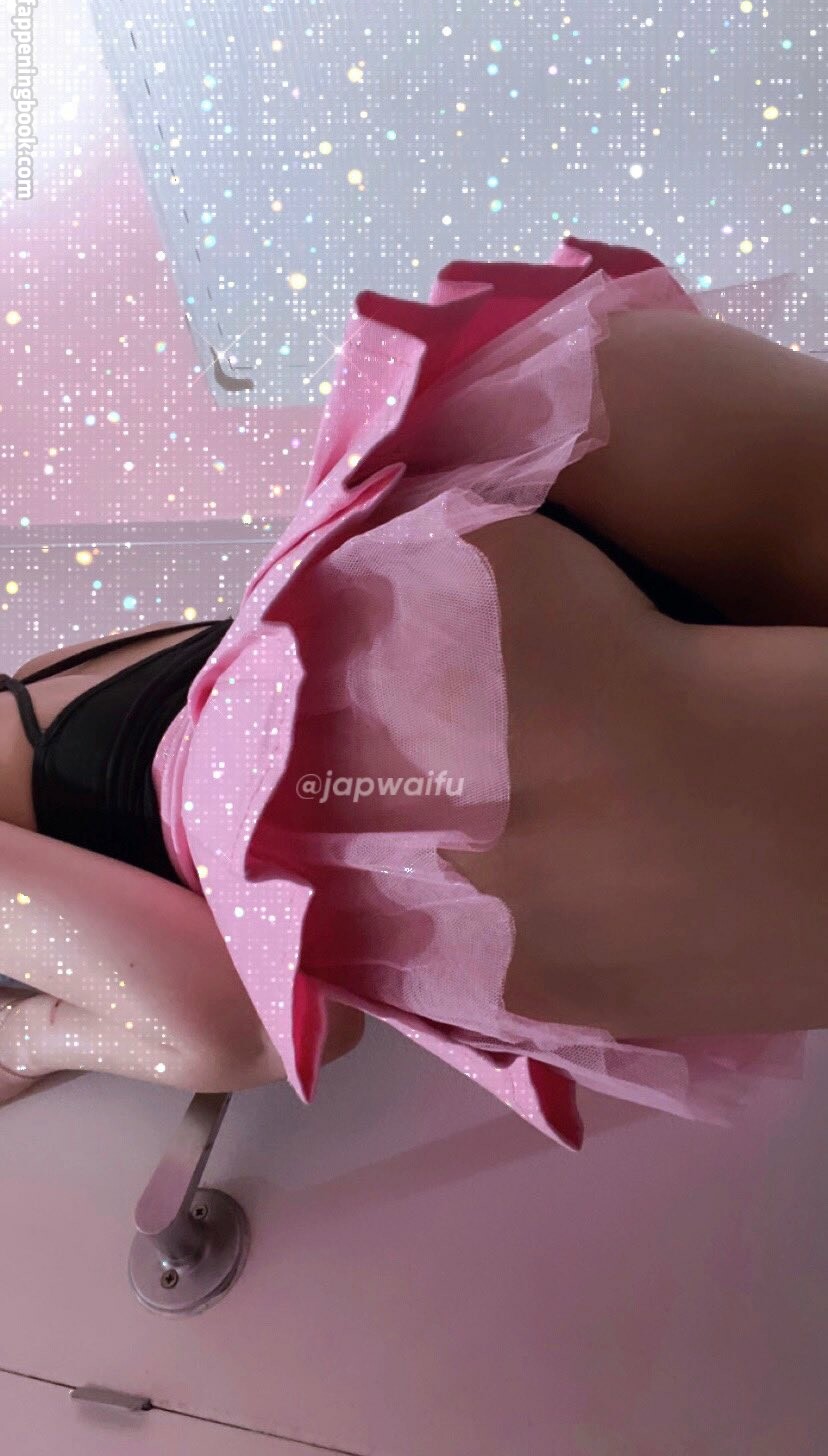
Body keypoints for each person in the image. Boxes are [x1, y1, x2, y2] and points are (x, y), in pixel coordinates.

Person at [1, 236, 825, 1149]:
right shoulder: (35, 674)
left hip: (421, 771)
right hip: (476, 466)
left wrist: (22, 1040)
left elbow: (227, 1027)